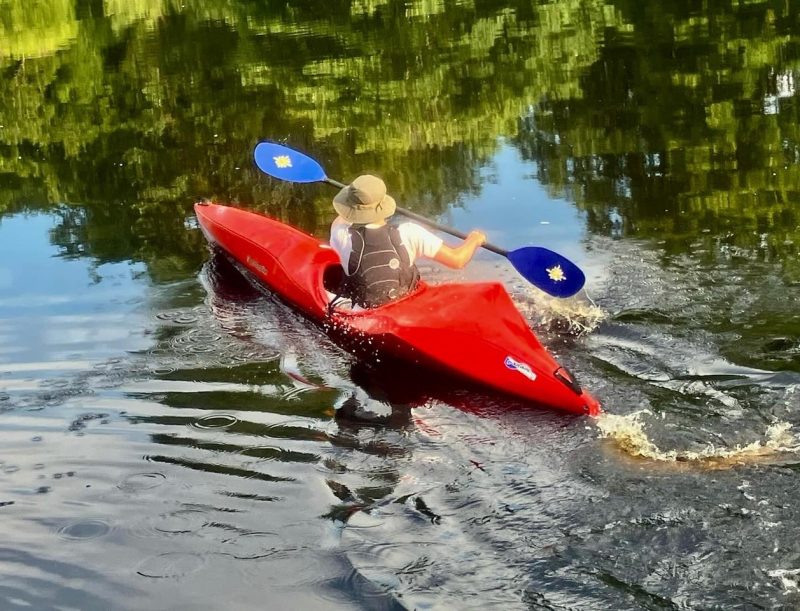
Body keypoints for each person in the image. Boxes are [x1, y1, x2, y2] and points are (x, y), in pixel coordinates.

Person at [329, 174, 486, 308]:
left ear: (350, 210)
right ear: (384, 204)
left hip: (366, 314)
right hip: (408, 307)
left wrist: (354, 204)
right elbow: (458, 260)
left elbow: (342, 219)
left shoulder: (341, 235)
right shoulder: (410, 232)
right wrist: (475, 239)